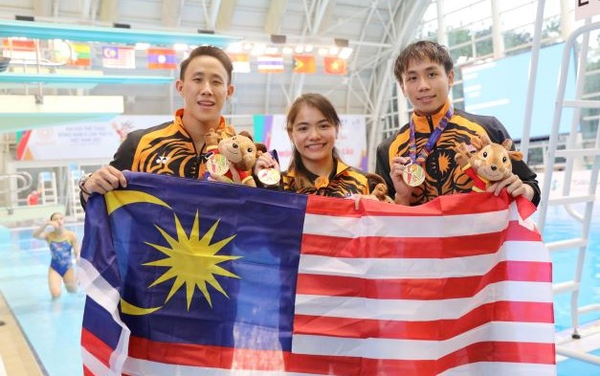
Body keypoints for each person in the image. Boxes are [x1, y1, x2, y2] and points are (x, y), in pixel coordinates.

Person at [375, 40, 540, 206]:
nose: (423, 86)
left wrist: (523, 190)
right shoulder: (388, 149)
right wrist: (402, 197)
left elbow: (532, 188)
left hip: (482, 232)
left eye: (431, 74)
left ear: (450, 78)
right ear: (403, 87)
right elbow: (380, 221)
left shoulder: (488, 129)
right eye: (412, 78)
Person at [78, 45, 236, 201]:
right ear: (180, 88)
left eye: (216, 82)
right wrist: (88, 188)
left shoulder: (243, 155)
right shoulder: (138, 144)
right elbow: (103, 207)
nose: (207, 90)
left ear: (228, 92)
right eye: (197, 80)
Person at [254, 93, 379, 199]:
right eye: (303, 128)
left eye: (323, 126)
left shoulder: (362, 183)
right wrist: (266, 184)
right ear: (291, 134)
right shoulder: (281, 185)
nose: (314, 136)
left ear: (336, 128)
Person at [32, 212, 80, 298]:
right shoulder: (48, 235)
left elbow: (77, 254)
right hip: (54, 268)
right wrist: (45, 224)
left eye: (61, 218)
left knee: (72, 291)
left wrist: (79, 272)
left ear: (64, 221)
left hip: (68, 268)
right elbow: (35, 235)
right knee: (55, 294)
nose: (59, 221)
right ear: (51, 222)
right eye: (55, 219)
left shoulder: (71, 236)